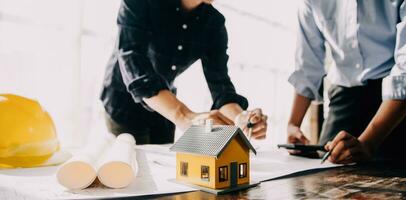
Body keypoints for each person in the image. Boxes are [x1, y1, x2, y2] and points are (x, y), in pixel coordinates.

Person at [100, 0, 268, 144]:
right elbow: (132, 59)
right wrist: (185, 117)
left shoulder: (214, 23)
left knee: (162, 171)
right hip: (123, 103)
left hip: (166, 104)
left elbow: (221, 85)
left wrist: (241, 118)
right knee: (128, 169)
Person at [287, 1, 406, 164]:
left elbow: (404, 71)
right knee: (324, 174)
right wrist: (293, 124)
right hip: (344, 98)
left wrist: (368, 144)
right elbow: (307, 66)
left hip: (396, 103)